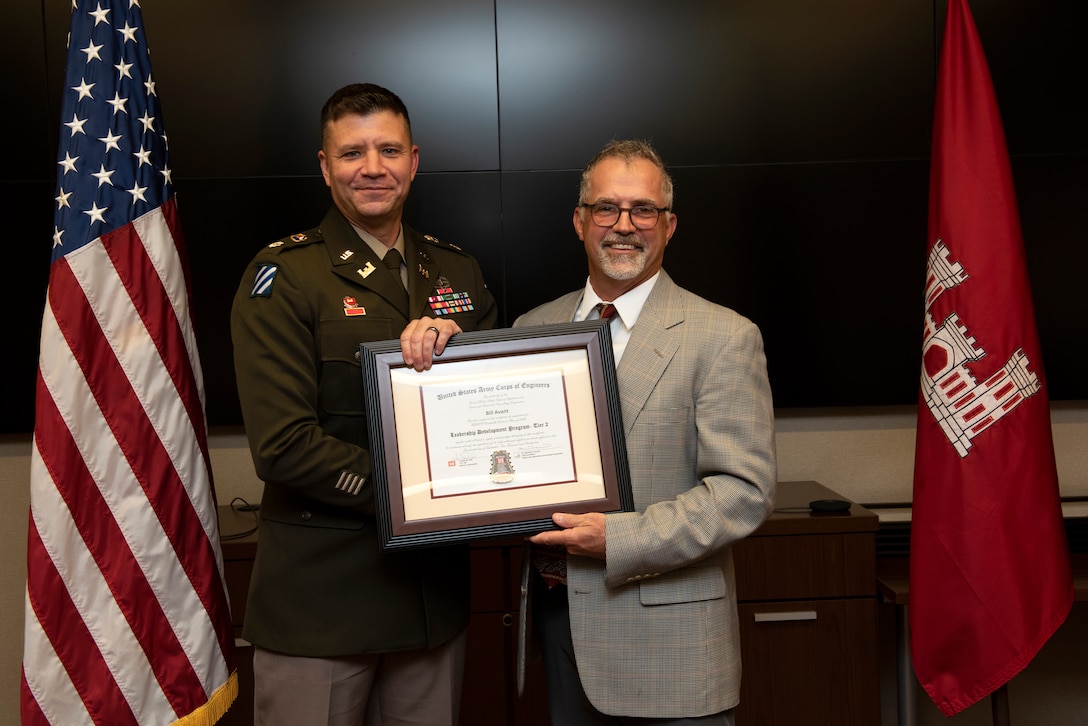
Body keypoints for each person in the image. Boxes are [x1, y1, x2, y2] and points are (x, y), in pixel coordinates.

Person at [230, 82, 497, 726]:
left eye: (388, 150)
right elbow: (284, 446)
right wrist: (425, 489)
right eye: (352, 153)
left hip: (430, 600)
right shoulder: (285, 275)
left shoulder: (456, 273)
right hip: (323, 602)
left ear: (414, 159)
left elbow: (495, 412)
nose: (373, 169)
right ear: (325, 167)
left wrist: (468, 362)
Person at [514, 139, 777, 725]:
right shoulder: (531, 329)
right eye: (606, 208)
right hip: (560, 633)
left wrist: (620, 539)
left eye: (644, 210)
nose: (624, 226)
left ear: (670, 224)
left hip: (671, 648)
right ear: (580, 221)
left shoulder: (723, 336)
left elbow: (743, 494)